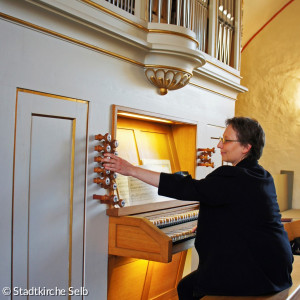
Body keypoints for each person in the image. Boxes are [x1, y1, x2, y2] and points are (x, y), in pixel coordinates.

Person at [101, 117, 293, 299]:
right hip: (276, 267)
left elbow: (186, 188)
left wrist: (130, 169)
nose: (219, 145)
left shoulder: (233, 176)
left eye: (226, 141)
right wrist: (210, 226)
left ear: (246, 147)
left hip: (258, 273)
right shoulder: (261, 174)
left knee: (186, 288)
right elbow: (242, 215)